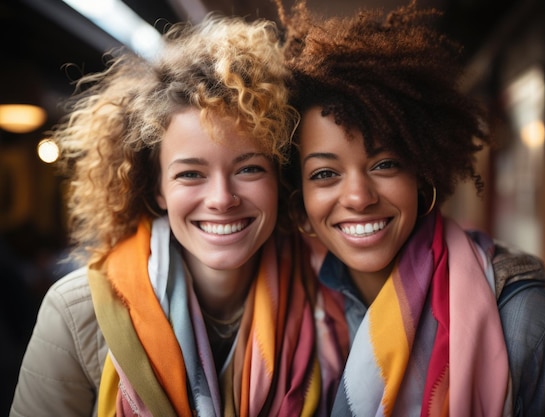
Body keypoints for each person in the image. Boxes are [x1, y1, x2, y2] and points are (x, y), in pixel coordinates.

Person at [275, 1, 545, 416]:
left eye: (385, 164)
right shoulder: (291, 318)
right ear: (300, 202)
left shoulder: (531, 327)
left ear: (422, 176)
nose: (359, 197)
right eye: (325, 174)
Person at [10, 13, 328, 417]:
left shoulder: (329, 297)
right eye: (191, 174)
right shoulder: (77, 312)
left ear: (279, 178)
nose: (221, 198)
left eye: (249, 168)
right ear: (156, 187)